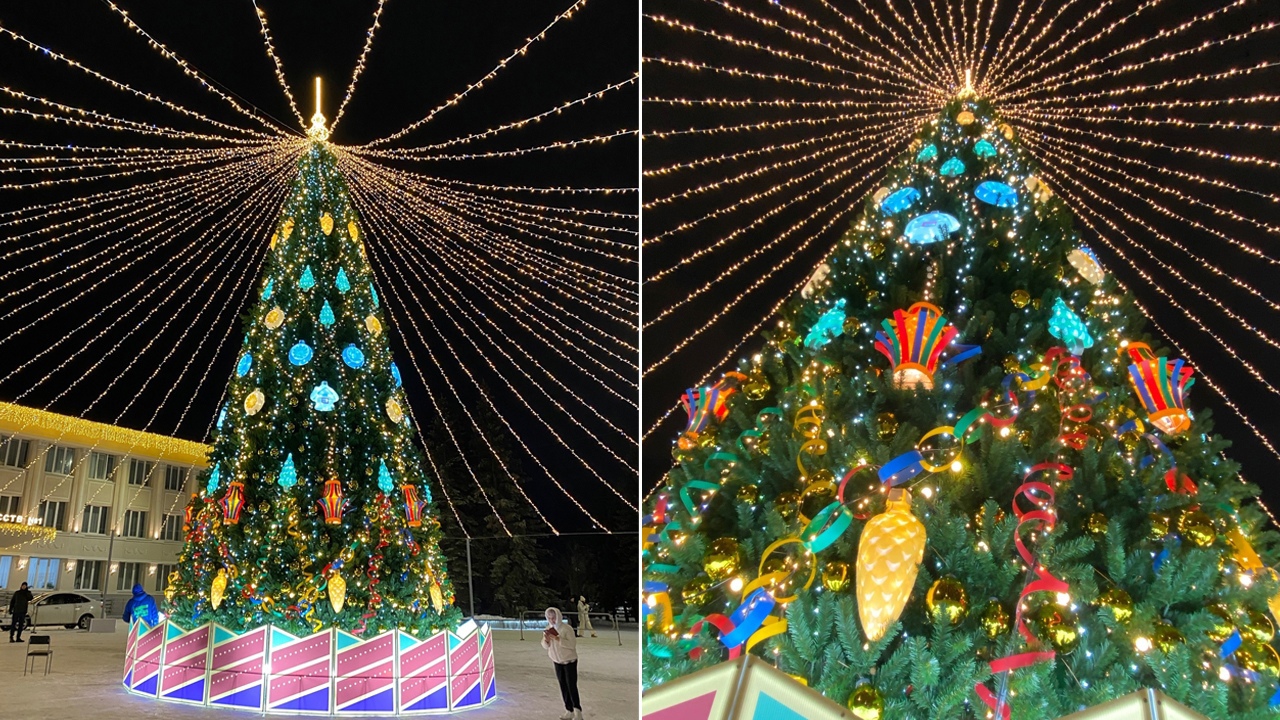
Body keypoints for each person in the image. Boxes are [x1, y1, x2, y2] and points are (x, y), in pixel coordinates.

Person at [541, 606, 582, 720]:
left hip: (569, 661)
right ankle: (568, 709)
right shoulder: (548, 628)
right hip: (557, 661)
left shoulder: (566, 628)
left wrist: (558, 639)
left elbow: (572, 645)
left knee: (571, 685)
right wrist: (546, 640)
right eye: (549, 618)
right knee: (563, 686)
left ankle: (577, 710)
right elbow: (545, 646)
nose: (551, 620)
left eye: (553, 618)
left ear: (558, 617)